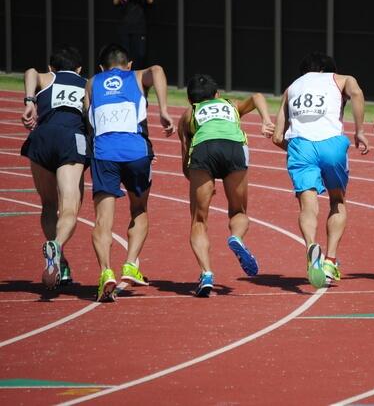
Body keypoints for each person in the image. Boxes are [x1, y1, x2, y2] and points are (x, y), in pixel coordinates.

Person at [84, 43, 175, 302]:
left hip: (104, 154)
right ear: (129, 64)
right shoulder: (136, 76)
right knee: (139, 209)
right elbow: (157, 69)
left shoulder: (92, 83)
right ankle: (131, 263)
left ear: (102, 67)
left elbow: (87, 117)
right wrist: (163, 110)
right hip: (136, 152)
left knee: (103, 220)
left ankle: (105, 271)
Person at [272, 52, 369, 288]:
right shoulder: (341, 79)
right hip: (332, 144)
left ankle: (310, 247)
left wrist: (295, 148)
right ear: (328, 69)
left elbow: (276, 137)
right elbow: (356, 93)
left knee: (308, 205)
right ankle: (330, 260)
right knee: (337, 200)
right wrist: (359, 131)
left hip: (301, 145)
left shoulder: (291, 88)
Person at [177, 74, 275, 297]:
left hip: (203, 150)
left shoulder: (188, 114)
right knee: (238, 211)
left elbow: (185, 156)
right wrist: (266, 120)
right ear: (217, 95)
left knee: (199, 220)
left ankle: (207, 273)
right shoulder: (230, 105)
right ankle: (237, 238)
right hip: (234, 148)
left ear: (191, 100)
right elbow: (258, 96)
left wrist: (198, 180)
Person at [20, 45, 87, 290]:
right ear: (80, 69)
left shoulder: (47, 77)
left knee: (49, 204)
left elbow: (29, 72)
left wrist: (29, 101)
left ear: (51, 67)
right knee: (70, 208)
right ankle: (56, 246)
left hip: (42, 138)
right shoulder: (86, 84)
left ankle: (61, 261)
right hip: (71, 139)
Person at [113, 0, 153, 69]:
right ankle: (125, 74)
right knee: (124, 53)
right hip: (125, 27)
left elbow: (150, 1)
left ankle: (136, 73)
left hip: (139, 27)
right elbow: (115, 2)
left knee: (140, 54)